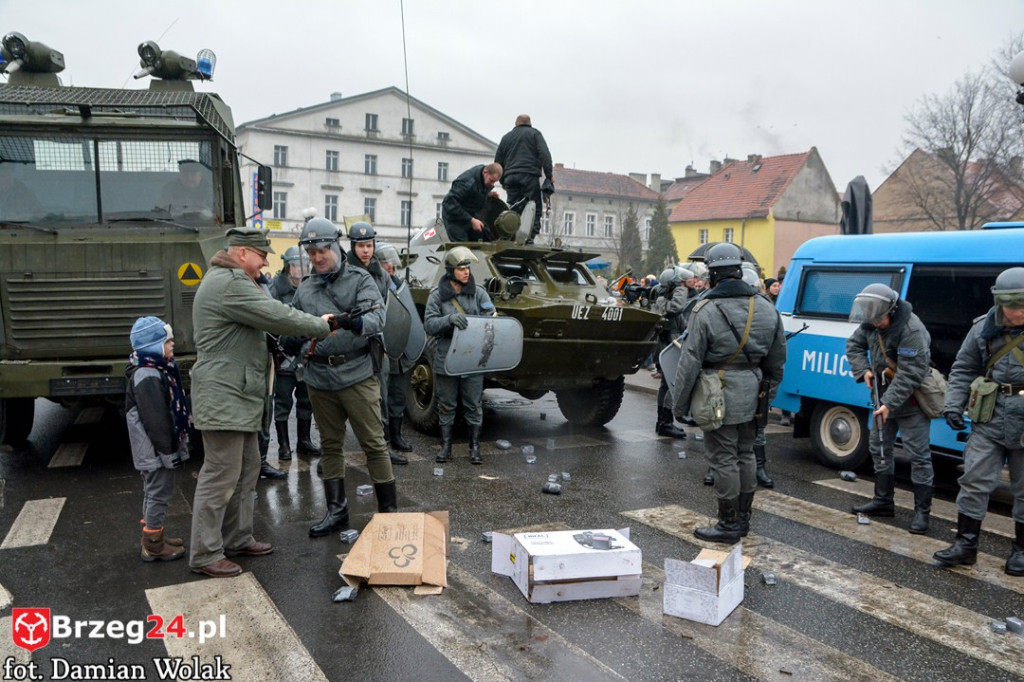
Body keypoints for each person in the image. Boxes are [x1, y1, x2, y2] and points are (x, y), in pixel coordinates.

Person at [189, 228, 333, 578]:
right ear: (241, 253)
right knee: (220, 475)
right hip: (225, 395)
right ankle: (205, 553)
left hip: (237, 396)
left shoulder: (232, 279)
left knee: (248, 467)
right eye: (261, 254)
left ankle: (237, 537)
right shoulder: (230, 283)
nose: (266, 261)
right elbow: (276, 315)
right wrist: (321, 325)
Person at [288, 217, 398, 538]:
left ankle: (388, 512)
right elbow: (293, 321)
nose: (317, 258)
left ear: (335, 246)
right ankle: (337, 511)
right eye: (311, 254)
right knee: (330, 446)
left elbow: (378, 317)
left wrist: (346, 321)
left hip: (356, 374)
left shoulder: (359, 279)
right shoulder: (305, 288)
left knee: (374, 444)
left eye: (321, 251)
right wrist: (289, 339)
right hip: (319, 377)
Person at [672, 243, 786, 544]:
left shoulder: (705, 309)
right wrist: (767, 396)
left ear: (713, 273)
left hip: (716, 391)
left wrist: (679, 405)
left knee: (723, 457)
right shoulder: (766, 308)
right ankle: (744, 518)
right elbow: (777, 361)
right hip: (754, 389)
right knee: (746, 454)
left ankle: (728, 523)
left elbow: (690, 361)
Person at [934, 267, 1024, 575]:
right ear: (1000, 302)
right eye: (1013, 304)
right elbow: (963, 369)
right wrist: (953, 406)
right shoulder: (982, 329)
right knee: (974, 480)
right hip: (990, 416)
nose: (1020, 311)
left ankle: (1021, 550)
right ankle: (966, 545)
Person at [845, 283, 935, 533]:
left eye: (880, 320)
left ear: (892, 312)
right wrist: (863, 369)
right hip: (882, 398)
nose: (876, 324)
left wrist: (888, 404)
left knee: (918, 455)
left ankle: (921, 513)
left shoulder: (911, 329)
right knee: (880, 447)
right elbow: (853, 345)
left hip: (911, 402)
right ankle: (883, 501)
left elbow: (911, 373)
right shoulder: (871, 322)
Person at [125, 316, 190, 563]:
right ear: (152, 346)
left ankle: (156, 536)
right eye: (167, 340)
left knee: (154, 491)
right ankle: (153, 545)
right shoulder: (148, 375)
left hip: (150, 449)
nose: (172, 344)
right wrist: (168, 452)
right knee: (158, 493)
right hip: (153, 450)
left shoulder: (152, 369)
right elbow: (157, 419)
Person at [424, 246, 497, 465]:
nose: (466, 272)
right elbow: (428, 324)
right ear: (450, 270)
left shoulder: (480, 293)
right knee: (446, 404)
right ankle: (446, 447)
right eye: (461, 268)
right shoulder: (437, 296)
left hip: (473, 358)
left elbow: (491, 318)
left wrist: (485, 320)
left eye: (468, 267)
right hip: (446, 356)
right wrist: (448, 321)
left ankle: (474, 448)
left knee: (473, 404)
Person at [345, 221, 407, 466]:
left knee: (380, 395)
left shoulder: (380, 273)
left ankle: (383, 447)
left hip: (375, 342)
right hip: (350, 341)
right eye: (361, 245)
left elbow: (391, 303)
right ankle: (333, 452)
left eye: (369, 245)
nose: (366, 251)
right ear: (353, 246)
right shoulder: (343, 270)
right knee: (342, 399)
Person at [269, 246, 319, 461]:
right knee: (282, 402)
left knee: (306, 400)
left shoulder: (311, 288)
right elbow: (269, 321)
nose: (300, 269)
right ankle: (283, 445)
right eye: (296, 265)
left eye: (304, 265)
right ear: (287, 266)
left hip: (306, 355)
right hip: (284, 355)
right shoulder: (275, 290)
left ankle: (304, 441)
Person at [376, 241, 415, 453]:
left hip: (399, 349)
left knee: (398, 395)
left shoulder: (399, 284)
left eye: (391, 263)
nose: (390, 267)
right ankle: (384, 442)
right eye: (386, 263)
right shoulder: (372, 285)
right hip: (381, 349)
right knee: (381, 396)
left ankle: (397, 436)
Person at [494, 115, 554, 245]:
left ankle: (508, 235)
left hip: (510, 177)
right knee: (533, 207)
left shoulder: (506, 137)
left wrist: (502, 181)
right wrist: (549, 175)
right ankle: (529, 238)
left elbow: (498, 161)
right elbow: (545, 155)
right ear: (530, 124)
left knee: (512, 207)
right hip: (529, 176)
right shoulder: (535, 134)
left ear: (516, 123)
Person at [653, 265, 690, 439]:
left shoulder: (665, 298)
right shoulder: (662, 300)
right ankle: (665, 422)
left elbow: (680, 321)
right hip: (668, 345)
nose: (683, 285)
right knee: (671, 384)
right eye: (680, 282)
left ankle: (662, 422)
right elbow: (677, 308)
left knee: (666, 385)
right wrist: (682, 290)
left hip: (671, 343)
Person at [441, 163, 503, 242]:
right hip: (455, 219)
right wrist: (471, 220)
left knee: (489, 238)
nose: (492, 184)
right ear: (485, 172)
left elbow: (473, 193)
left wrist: (486, 195)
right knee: (463, 248)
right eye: (491, 181)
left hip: (472, 215)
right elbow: (448, 203)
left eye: (494, 182)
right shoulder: (467, 183)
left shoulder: (484, 178)